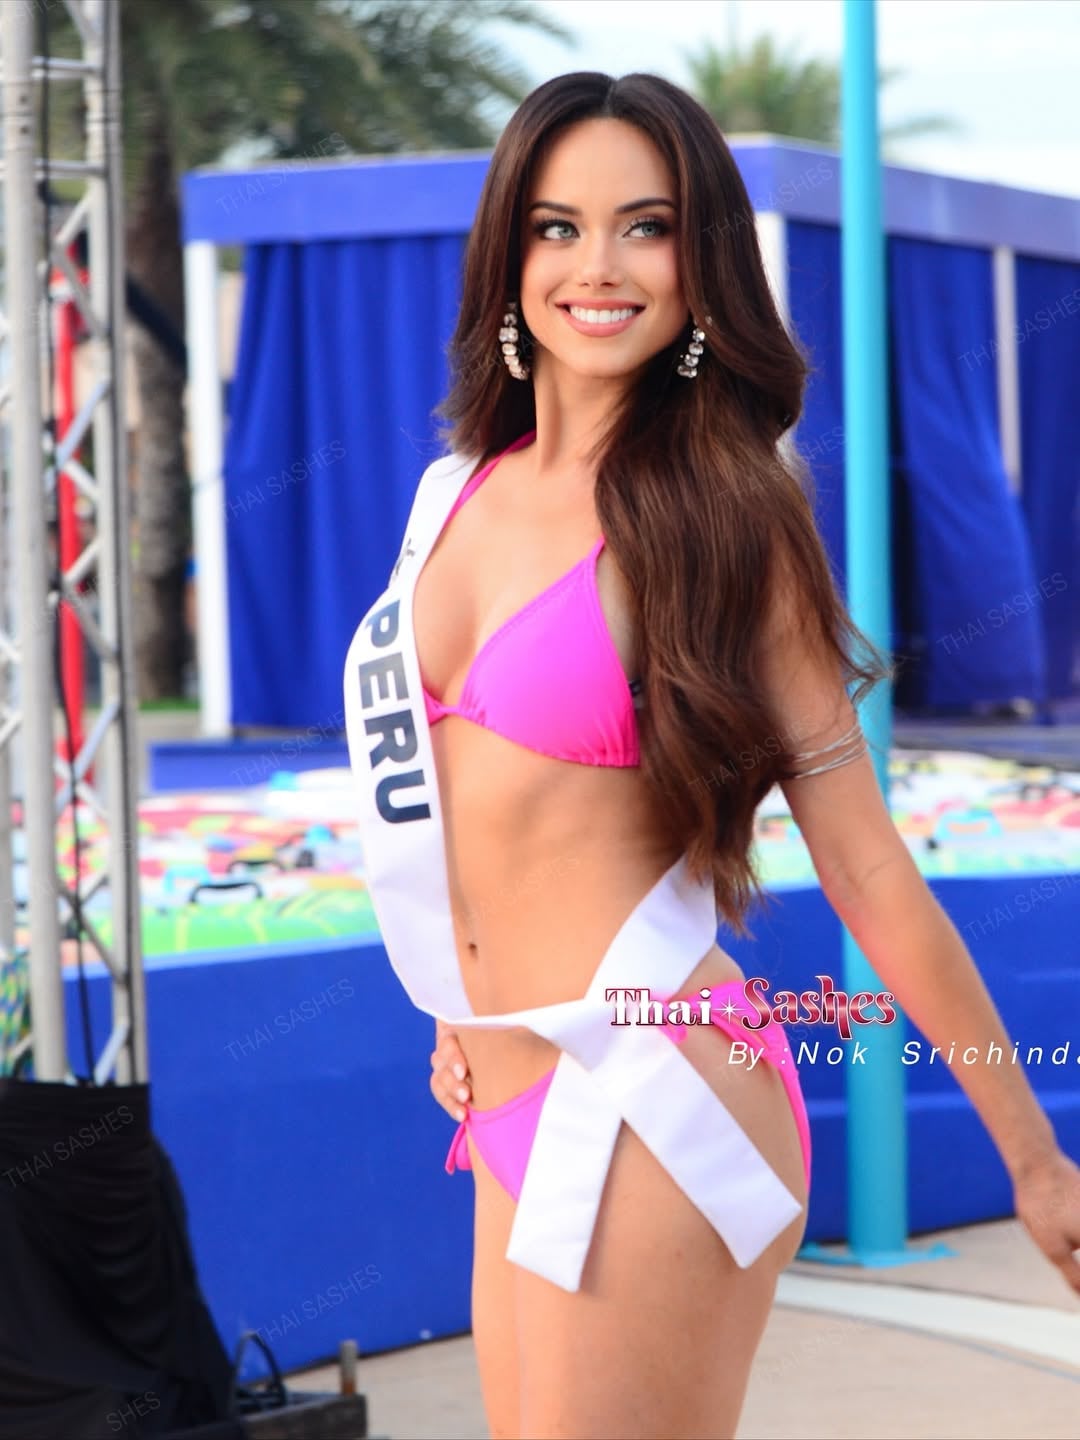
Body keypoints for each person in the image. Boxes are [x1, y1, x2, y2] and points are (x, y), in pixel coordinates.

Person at [344, 71, 1080, 1440]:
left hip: (654, 1093)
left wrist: (1035, 1160)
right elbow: (479, 817)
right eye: (558, 227)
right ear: (508, 253)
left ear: (704, 265)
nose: (598, 266)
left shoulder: (729, 519)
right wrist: (456, 1001)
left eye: (647, 226)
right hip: (501, 1096)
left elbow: (867, 867)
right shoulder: (454, 496)